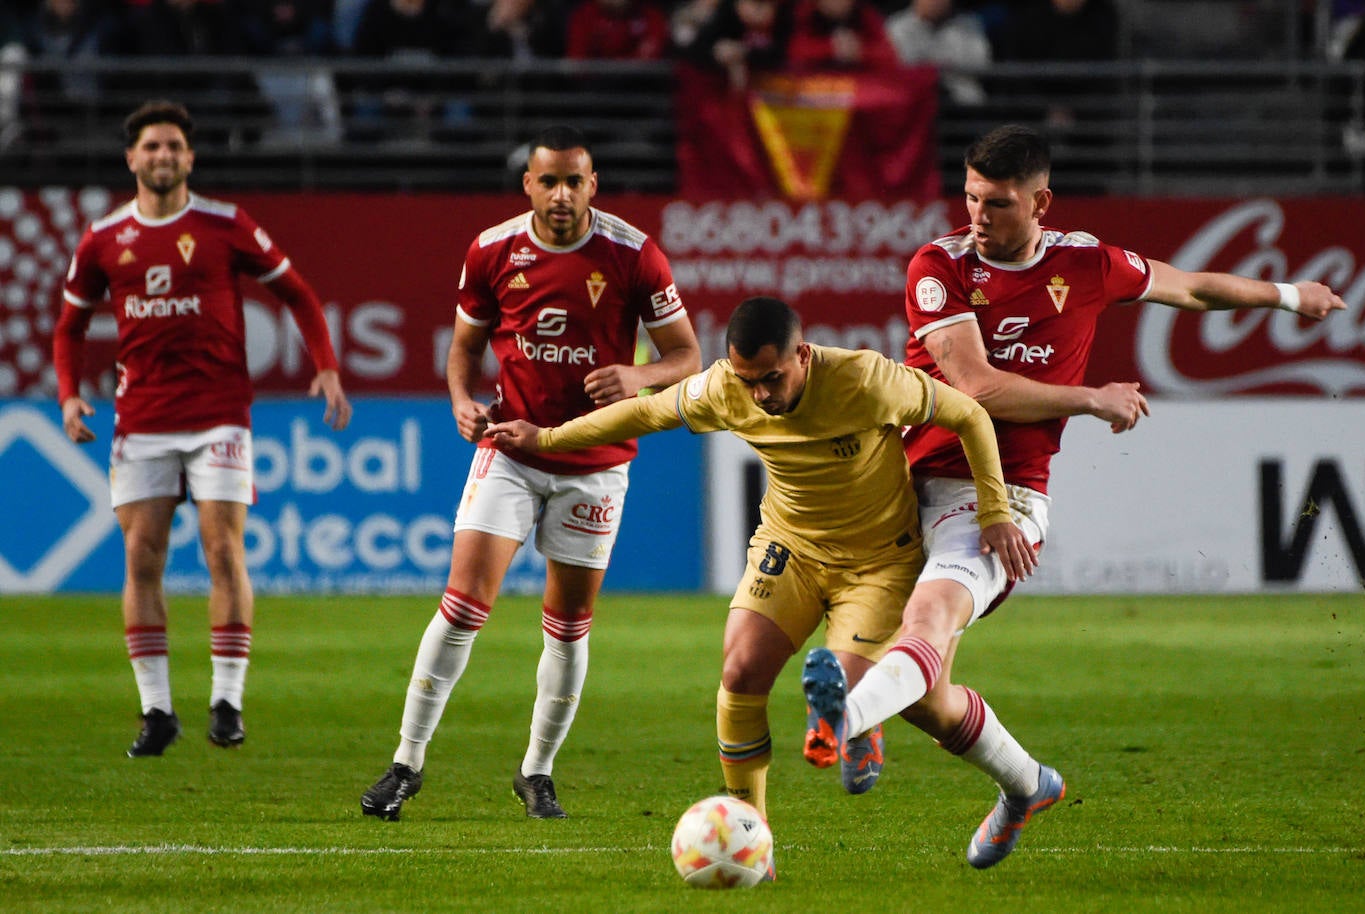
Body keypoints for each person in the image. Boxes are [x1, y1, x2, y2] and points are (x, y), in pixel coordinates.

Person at [800, 123, 1349, 869]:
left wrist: (1290, 295)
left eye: (994, 204)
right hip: (901, 490)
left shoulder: (1087, 263)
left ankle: (845, 719)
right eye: (968, 198)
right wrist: (1091, 398)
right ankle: (1027, 786)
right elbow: (975, 386)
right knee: (927, 693)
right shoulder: (939, 266)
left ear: (1040, 202)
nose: (976, 217)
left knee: (923, 626)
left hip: (1002, 502)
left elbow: (1189, 287)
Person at [486, 296, 1035, 822]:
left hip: (878, 563)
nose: (762, 395)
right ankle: (750, 831)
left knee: (843, 698)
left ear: (803, 354)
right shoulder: (724, 388)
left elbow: (968, 414)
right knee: (740, 672)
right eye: (749, 381)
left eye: (772, 378)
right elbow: (645, 412)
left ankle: (863, 726)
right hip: (790, 549)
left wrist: (994, 510)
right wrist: (547, 439)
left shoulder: (865, 378)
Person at [359, 125, 702, 821]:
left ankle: (536, 772)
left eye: (576, 181)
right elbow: (463, 348)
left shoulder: (634, 254)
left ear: (593, 185)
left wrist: (636, 373)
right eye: (549, 181)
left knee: (569, 624)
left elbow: (688, 356)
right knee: (462, 604)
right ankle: (406, 762)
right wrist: (459, 400)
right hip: (511, 450)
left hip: (597, 463)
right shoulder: (492, 250)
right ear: (529, 185)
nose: (562, 194)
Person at [51, 99, 352, 758]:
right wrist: (70, 396)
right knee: (141, 558)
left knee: (222, 549)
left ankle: (227, 701)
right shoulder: (104, 238)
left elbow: (297, 292)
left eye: (173, 147)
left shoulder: (225, 225)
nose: (162, 157)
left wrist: (326, 367)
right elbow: (70, 326)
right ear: (132, 158)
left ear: (190, 157)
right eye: (151, 147)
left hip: (219, 413)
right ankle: (156, 711)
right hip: (143, 420)